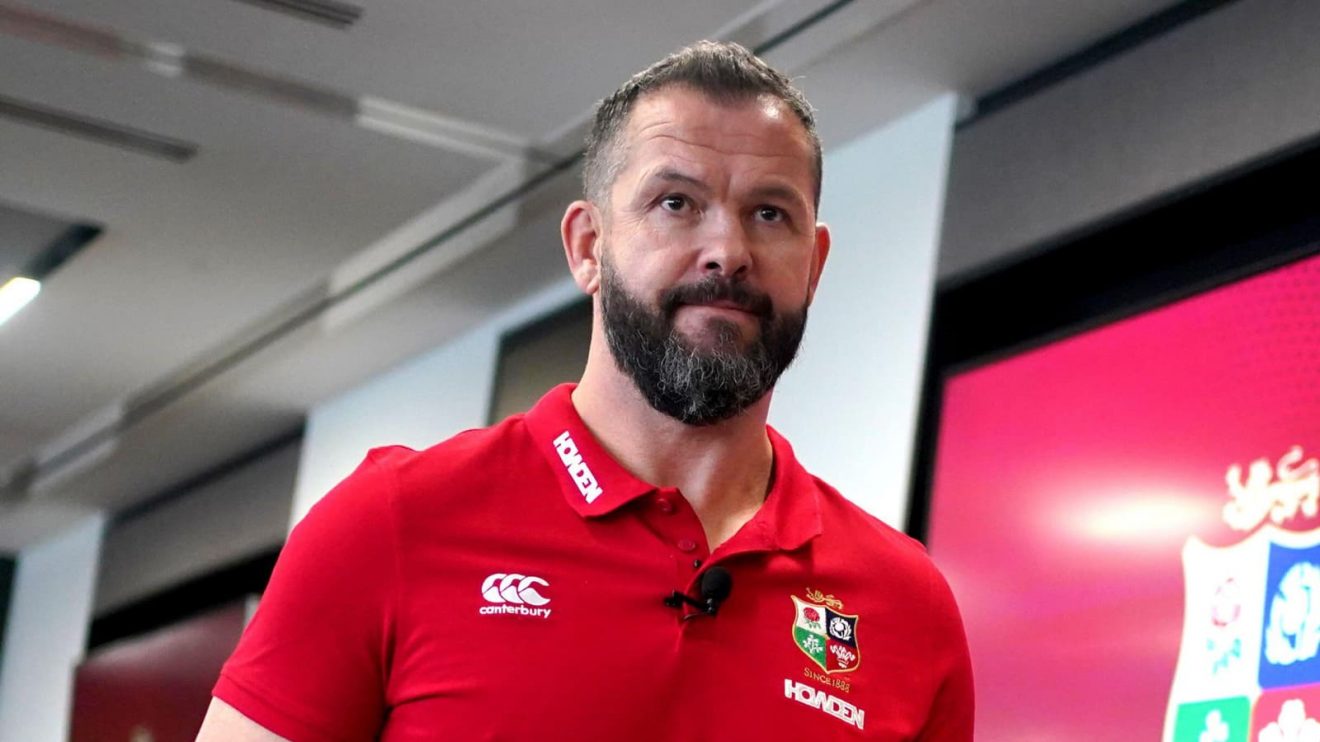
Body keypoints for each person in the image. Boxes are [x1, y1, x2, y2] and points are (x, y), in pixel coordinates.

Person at [196, 40, 973, 741]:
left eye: (769, 213)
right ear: (588, 246)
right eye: (677, 203)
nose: (727, 251)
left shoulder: (907, 608)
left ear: (814, 264)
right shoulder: (392, 523)